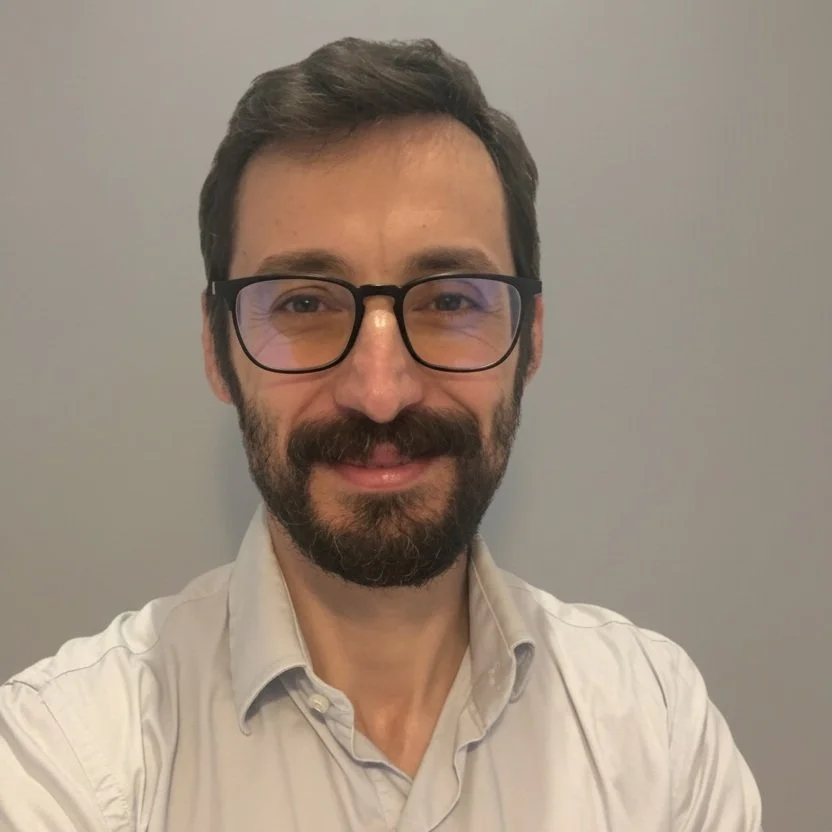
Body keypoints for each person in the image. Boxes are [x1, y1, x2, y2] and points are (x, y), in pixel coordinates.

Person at [0, 37, 762, 831]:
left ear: (530, 338)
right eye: (302, 303)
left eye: (450, 301)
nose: (381, 392)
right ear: (217, 349)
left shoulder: (657, 729)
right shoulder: (67, 759)